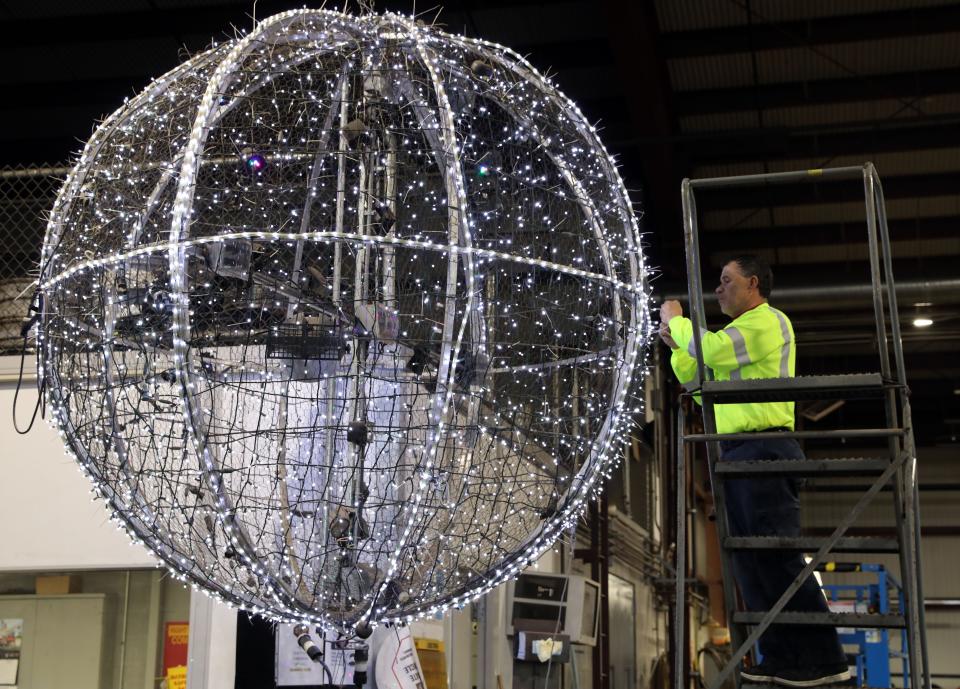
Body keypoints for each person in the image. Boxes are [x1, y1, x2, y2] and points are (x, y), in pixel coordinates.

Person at [660, 255, 850, 687]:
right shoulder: (733, 336)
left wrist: (678, 320)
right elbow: (698, 386)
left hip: (764, 447)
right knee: (752, 565)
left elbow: (711, 351)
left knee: (776, 559)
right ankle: (784, 656)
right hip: (734, 452)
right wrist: (678, 346)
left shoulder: (768, 322)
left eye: (726, 281)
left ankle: (824, 658)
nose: (719, 289)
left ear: (753, 283)